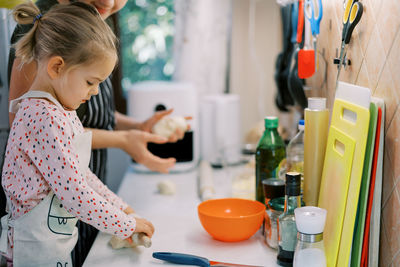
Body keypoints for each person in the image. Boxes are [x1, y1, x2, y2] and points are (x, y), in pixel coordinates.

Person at [4, 0, 188, 265]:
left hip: (54, 238)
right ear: (57, 67)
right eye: (91, 82)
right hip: (34, 246)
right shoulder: (42, 116)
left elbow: (78, 173)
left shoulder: (59, 110)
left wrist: (119, 206)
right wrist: (124, 224)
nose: (94, 92)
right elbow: (76, 194)